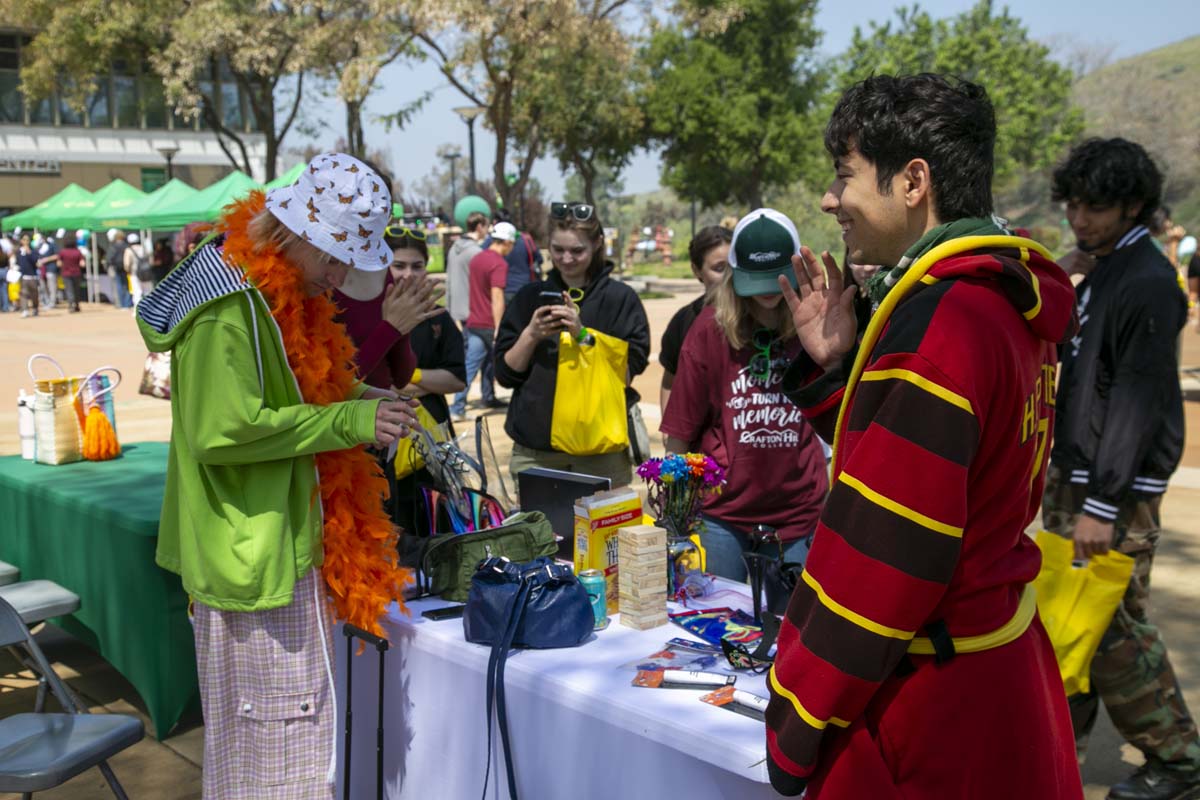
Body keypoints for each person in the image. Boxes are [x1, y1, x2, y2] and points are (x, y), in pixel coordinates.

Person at [764, 74, 1082, 799]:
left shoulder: (945, 323)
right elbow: (932, 472)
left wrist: (798, 716)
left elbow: (883, 561)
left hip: (933, 702)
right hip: (996, 659)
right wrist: (836, 368)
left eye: (843, 176)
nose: (829, 199)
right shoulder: (999, 300)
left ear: (913, 182)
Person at [136, 152, 417, 800]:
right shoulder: (230, 302)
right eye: (335, 258)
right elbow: (222, 431)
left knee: (286, 748)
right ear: (295, 236)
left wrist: (358, 395)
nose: (342, 275)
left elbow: (295, 382)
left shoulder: (270, 289)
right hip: (253, 555)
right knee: (277, 761)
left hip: (274, 546)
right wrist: (347, 422)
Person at [1044, 137, 1200, 800]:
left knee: (1110, 627)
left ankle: (1179, 758)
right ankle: (1059, 746)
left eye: (1098, 206)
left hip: (1111, 492)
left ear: (1134, 203)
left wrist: (1103, 506)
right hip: (1080, 480)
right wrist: (1069, 266)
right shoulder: (1107, 267)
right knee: (1072, 617)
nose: (1081, 217)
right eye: (1074, 203)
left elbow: (1134, 399)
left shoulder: (1144, 282)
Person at [660, 210, 827, 580]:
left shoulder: (814, 324)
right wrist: (674, 515)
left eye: (778, 277)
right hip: (723, 514)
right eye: (757, 279)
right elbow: (679, 433)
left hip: (798, 512)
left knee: (791, 625)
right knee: (720, 624)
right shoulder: (708, 330)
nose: (768, 290)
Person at [495, 202, 650, 488]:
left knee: (607, 534)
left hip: (600, 452)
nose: (566, 258)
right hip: (536, 454)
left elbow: (624, 376)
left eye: (577, 250)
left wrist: (583, 337)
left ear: (597, 244)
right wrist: (531, 334)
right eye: (557, 249)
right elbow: (505, 376)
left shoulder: (621, 299)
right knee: (540, 534)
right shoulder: (530, 296)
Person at [385, 229, 467, 537]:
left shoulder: (437, 317)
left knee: (436, 525)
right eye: (399, 265)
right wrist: (426, 380)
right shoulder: (371, 314)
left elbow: (457, 379)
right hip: (384, 436)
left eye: (417, 266)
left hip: (433, 439)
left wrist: (408, 378)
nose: (408, 274)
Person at [659, 225, 731, 410]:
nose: (729, 276)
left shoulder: (759, 313)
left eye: (734, 265)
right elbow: (670, 381)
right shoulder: (684, 321)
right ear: (696, 270)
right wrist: (668, 435)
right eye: (719, 268)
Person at [451, 222, 516, 420]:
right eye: (512, 244)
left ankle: (486, 397)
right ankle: (457, 407)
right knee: (498, 361)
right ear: (506, 242)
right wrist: (499, 327)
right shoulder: (499, 264)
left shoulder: (478, 258)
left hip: (474, 321)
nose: (512, 248)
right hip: (488, 323)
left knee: (482, 363)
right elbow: (497, 297)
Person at [446, 210, 488, 326]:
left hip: (454, 310)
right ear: (480, 227)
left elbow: (448, 280)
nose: (487, 231)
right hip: (473, 313)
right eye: (486, 227)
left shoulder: (453, 249)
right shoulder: (477, 253)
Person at [53, 235, 86, 313]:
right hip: (76, 273)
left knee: (69, 290)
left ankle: (71, 305)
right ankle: (77, 305)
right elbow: (82, 264)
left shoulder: (63, 252)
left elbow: (59, 264)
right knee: (76, 290)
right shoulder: (78, 252)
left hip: (66, 273)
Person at [105, 229, 132, 308]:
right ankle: (127, 303)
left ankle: (121, 304)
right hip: (126, 268)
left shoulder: (113, 246)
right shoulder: (126, 245)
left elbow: (109, 258)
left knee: (118, 285)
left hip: (116, 267)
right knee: (126, 286)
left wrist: (108, 265)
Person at [125, 233, 153, 305]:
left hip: (134, 273)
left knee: (137, 292)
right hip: (146, 272)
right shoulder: (144, 248)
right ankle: (149, 309)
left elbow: (127, 264)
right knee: (148, 292)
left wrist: (128, 271)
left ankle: (137, 311)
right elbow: (150, 260)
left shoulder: (128, 250)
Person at [15, 235, 39, 317]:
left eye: (27, 240)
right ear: (21, 241)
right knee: (23, 294)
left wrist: (29, 252)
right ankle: (25, 309)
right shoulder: (19, 252)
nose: (26, 242)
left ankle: (35, 308)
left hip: (32, 276)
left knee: (34, 294)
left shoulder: (33, 251)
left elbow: (35, 261)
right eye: (24, 240)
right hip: (23, 276)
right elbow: (17, 262)